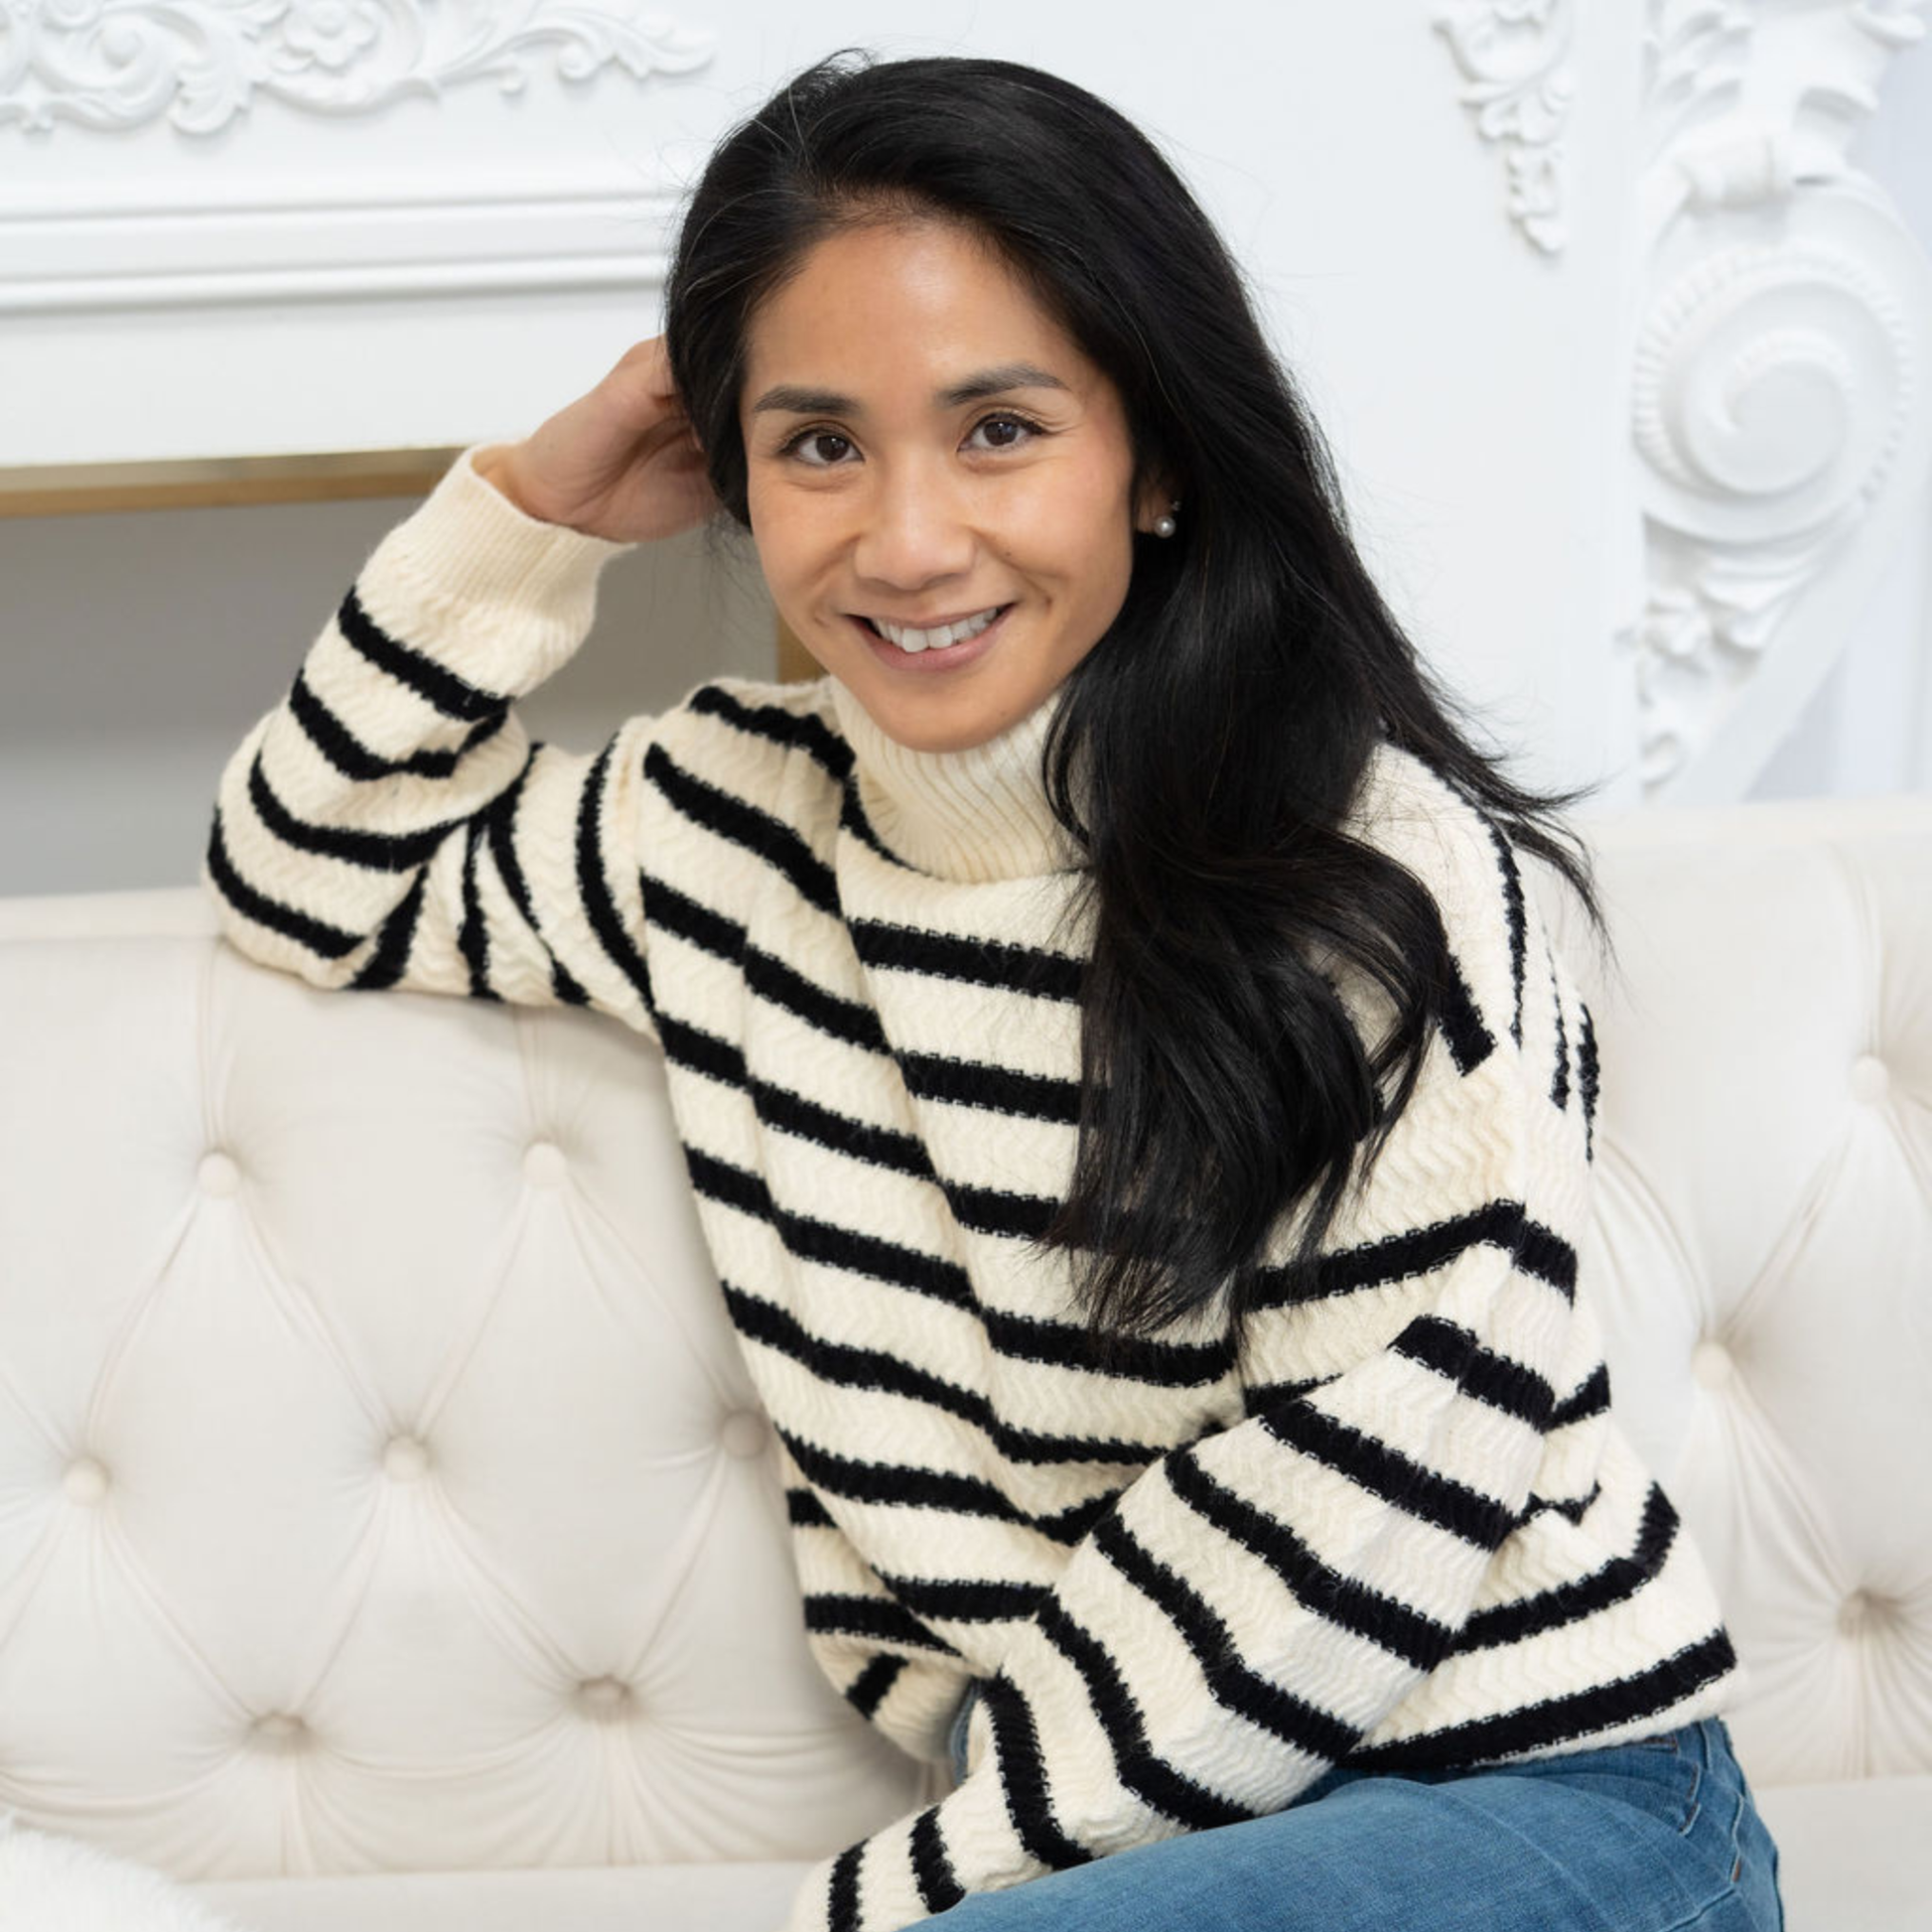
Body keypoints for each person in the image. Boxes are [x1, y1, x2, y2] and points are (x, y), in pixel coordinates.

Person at [203, 50, 1782, 1932]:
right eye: (817, 446)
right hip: (1109, 1828)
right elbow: (310, 854)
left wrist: (889, 1906)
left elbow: (1333, 1546)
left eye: (999, 429)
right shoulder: (721, 828)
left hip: (1529, 1800)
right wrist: (535, 507)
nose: (907, 540)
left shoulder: (1376, 885)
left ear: (1157, 458)